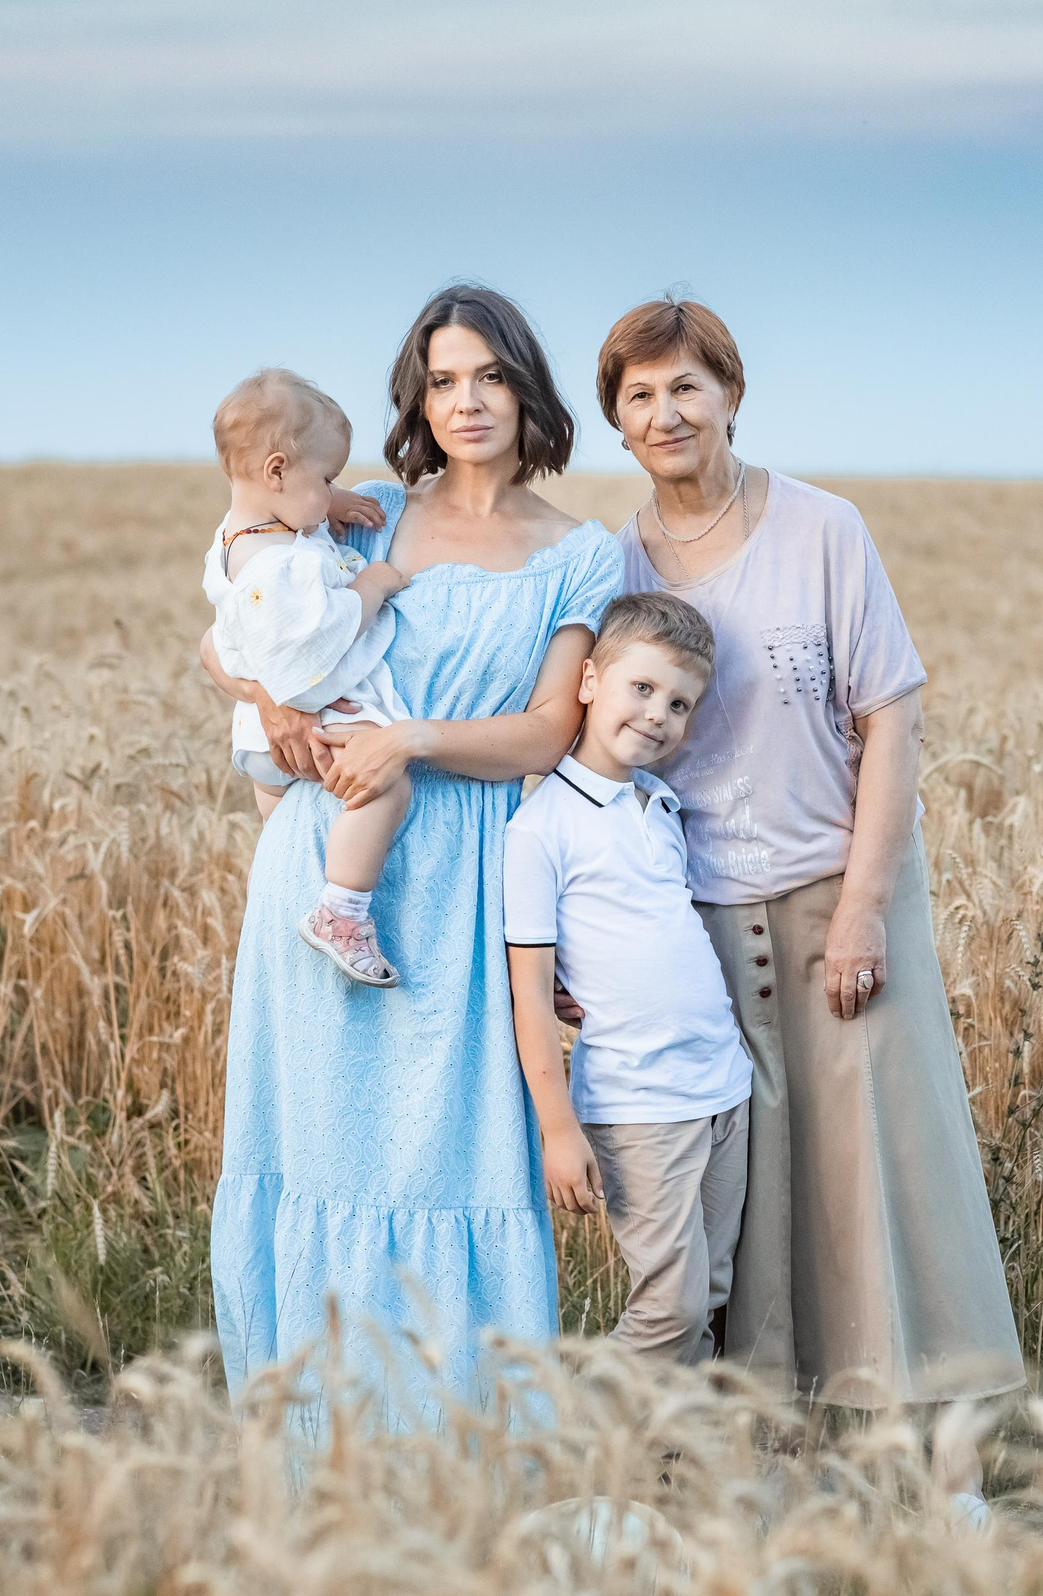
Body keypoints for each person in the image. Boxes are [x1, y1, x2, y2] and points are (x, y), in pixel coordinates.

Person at [595, 295, 1025, 1407]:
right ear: (617, 422)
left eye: (686, 384)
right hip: (695, 918)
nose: (666, 411)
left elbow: (892, 715)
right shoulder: (610, 565)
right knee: (754, 1178)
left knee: (884, 1158)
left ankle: (937, 1426)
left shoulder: (822, 529)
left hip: (840, 890)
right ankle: (774, 1426)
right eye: (639, 395)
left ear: (731, 394)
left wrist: (864, 909)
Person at [204, 286, 621, 1414]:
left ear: (525, 389)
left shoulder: (580, 555)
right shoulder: (362, 516)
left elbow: (547, 730)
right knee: (319, 1154)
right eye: (442, 380)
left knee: (448, 1160)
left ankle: (453, 1456)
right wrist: (269, 706)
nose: (466, 400)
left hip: (460, 881)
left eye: (488, 375)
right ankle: (310, 1452)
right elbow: (228, 630)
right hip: (326, 867)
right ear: (417, 397)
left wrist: (411, 741)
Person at [505, 593, 753, 1365]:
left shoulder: (661, 807)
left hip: (722, 1088)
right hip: (639, 1104)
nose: (657, 714)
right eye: (640, 688)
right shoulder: (541, 830)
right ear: (588, 681)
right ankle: (579, 1446)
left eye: (679, 703)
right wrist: (557, 1127)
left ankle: (668, 1468)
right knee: (669, 1308)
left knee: (708, 1294)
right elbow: (531, 995)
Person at [199, 369, 414, 986]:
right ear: (276, 471)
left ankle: (294, 884)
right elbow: (315, 653)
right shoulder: (281, 567)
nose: (331, 492)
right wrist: (371, 586)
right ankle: (341, 913)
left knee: (289, 842)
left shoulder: (238, 535)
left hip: (254, 740)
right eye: (327, 479)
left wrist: (328, 505)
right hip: (312, 726)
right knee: (388, 786)